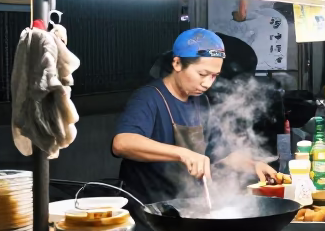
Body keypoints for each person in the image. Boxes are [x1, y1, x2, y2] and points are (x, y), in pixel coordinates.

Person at [113, 28, 276, 206]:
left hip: (187, 206)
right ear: (177, 64)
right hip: (150, 211)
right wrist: (183, 154)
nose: (207, 83)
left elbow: (222, 153)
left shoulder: (200, 102)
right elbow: (122, 143)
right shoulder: (149, 97)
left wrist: (254, 166)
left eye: (214, 76)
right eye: (202, 74)